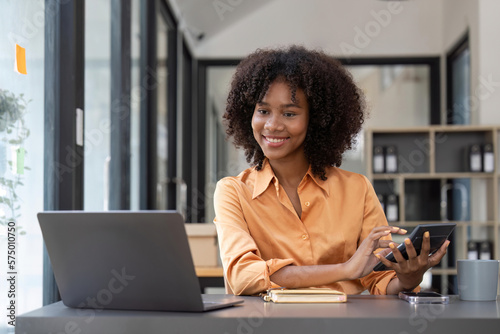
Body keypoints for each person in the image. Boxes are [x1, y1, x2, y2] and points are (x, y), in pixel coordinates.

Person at [213, 45, 449, 296]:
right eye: (262, 111)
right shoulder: (233, 192)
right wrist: (346, 269)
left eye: (289, 113)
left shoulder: (357, 189)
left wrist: (407, 277)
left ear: (316, 120)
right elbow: (242, 276)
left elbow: (380, 279)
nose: (272, 125)